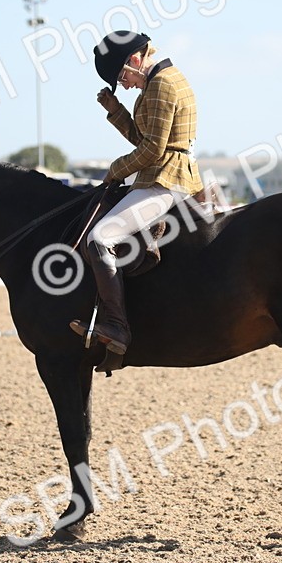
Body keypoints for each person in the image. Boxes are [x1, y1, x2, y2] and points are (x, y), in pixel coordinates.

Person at [68, 31, 203, 357]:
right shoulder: (159, 81)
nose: (125, 85)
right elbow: (143, 139)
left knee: (99, 239)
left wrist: (115, 170)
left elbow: (153, 150)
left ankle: (116, 324)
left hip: (166, 179)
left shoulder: (162, 85)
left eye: (122, 77)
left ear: (134, 60)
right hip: (159, 173)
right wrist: (116, 111)